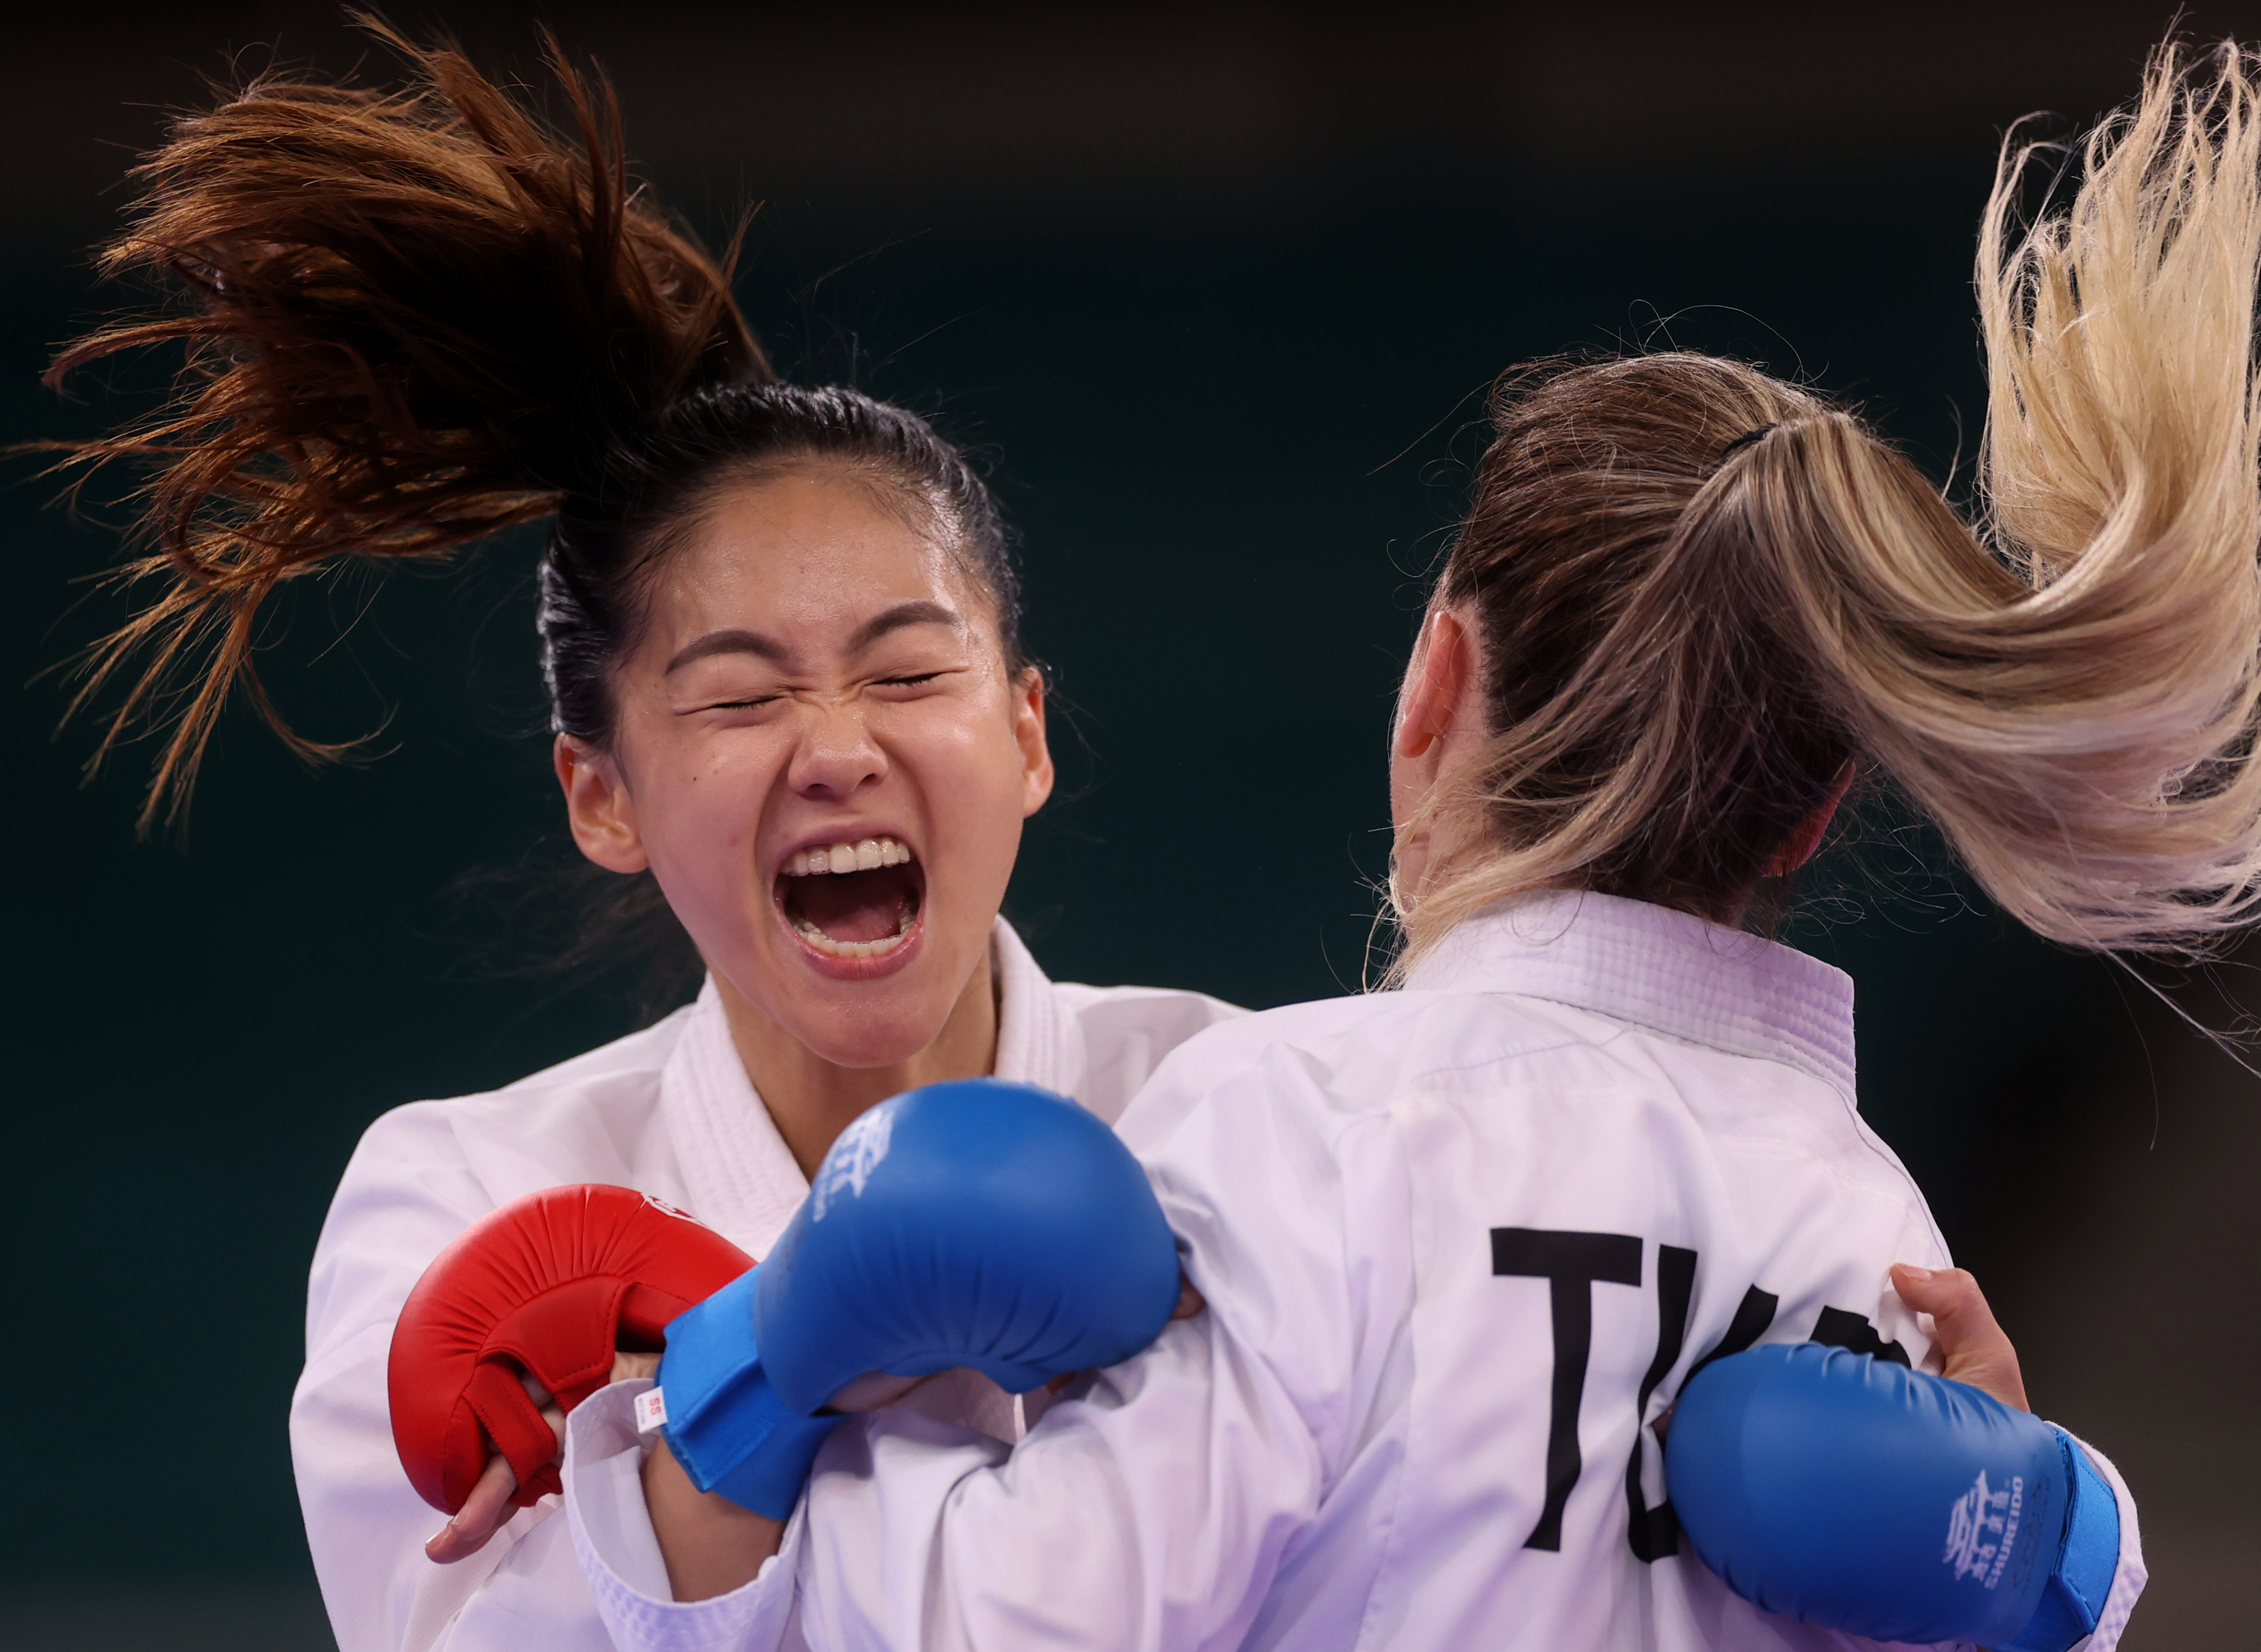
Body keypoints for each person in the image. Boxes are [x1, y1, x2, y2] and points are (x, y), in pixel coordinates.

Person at [46, 23, 2058, 1652]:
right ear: (602, 792)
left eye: (908, 675)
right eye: (740, 696)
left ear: (1028, 738)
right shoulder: (476, 1200)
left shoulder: (1233, 1095)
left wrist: (2016, 1529)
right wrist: (775, 1346)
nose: (834, 746)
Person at [540, 39, 2261, 1652]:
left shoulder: (1300, 1126)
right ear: (1827, 796)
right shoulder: (1872, 1246)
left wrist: (766, 1364)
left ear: (1433, 683)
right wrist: (2073, 1556)